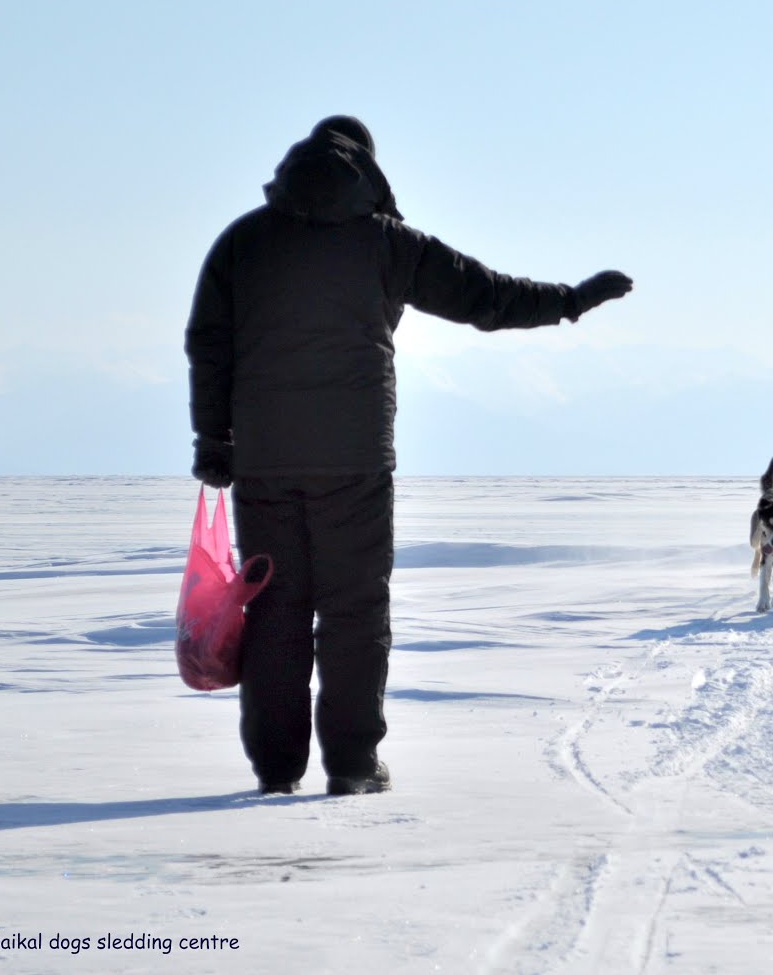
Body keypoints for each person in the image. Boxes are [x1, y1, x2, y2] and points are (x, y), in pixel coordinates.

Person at [184, 116, 632, 796]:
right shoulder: (385, 243)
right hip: (356, 460)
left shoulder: (244, 241)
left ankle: (277, 769)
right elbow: (485, 296)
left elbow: (208, 343)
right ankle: (355, 765)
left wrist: (214, 438)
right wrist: (569, 301)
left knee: (275, 612)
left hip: (267, 464)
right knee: (356, 611)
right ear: (367, 170)